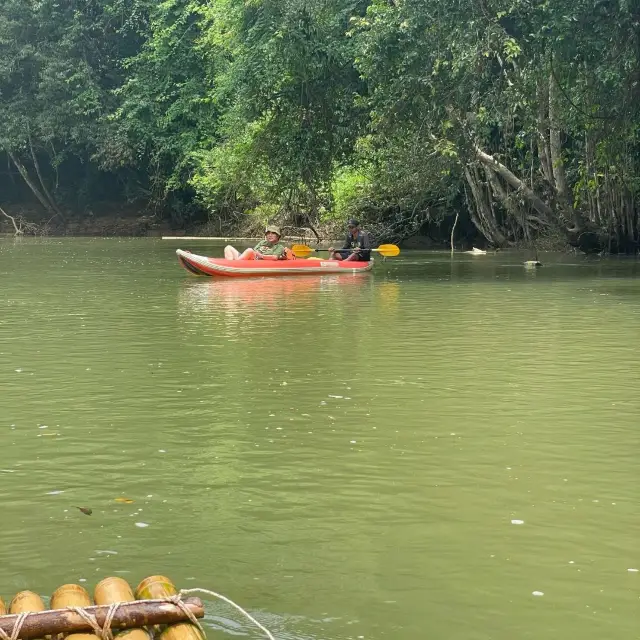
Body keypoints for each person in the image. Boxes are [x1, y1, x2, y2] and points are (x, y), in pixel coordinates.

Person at [224, 225, 290, 261]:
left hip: (258, 260)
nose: (270, 235)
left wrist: (261, 256)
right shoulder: (262, 242)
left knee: (249, 250)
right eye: (268, 233)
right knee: (228, 248)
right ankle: (230, 264)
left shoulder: (279, 247)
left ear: (278, 236)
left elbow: (275, 257)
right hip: (251, 258)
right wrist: (255, 253)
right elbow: (254, 251)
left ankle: (235, 264)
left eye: (273, 233)